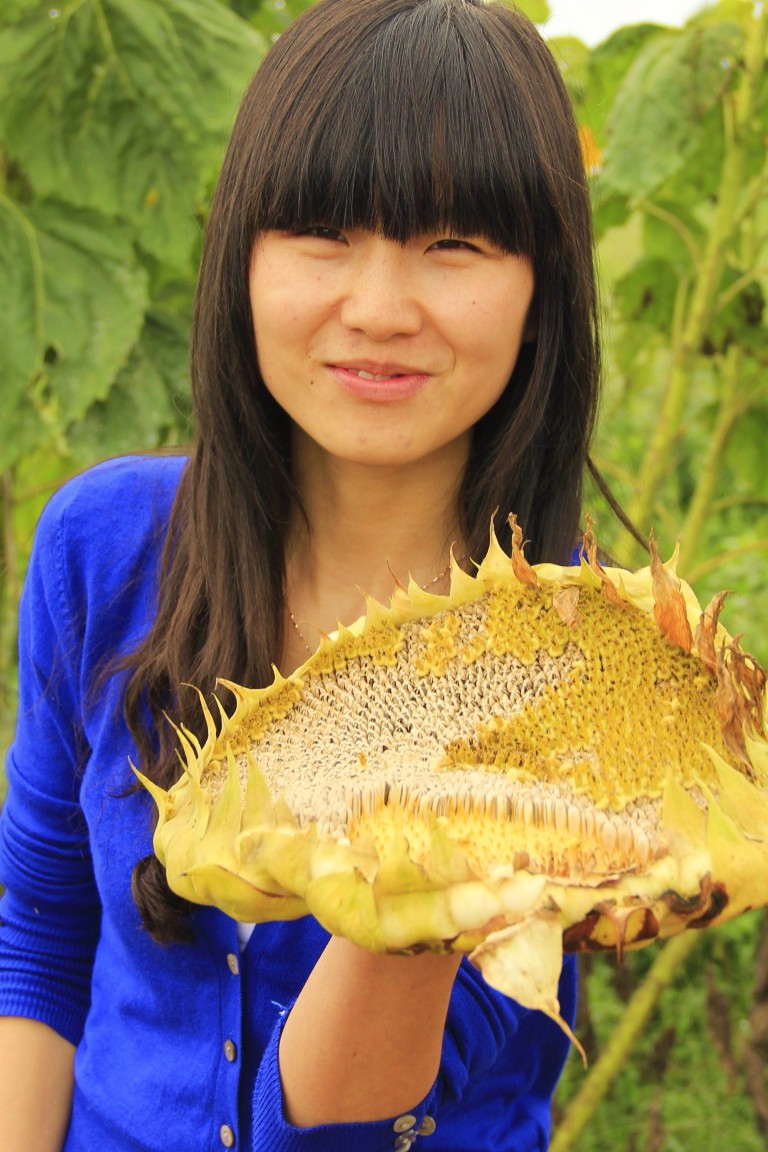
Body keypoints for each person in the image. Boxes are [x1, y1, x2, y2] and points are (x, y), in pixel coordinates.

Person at [0, 0, 601, 1147]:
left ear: (543, 289)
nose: (376, 310)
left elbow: (349, 1115)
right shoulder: (103, 547)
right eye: (322, 232)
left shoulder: (585, 662)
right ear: (242, 255)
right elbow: (41, 927)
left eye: (454, 244)